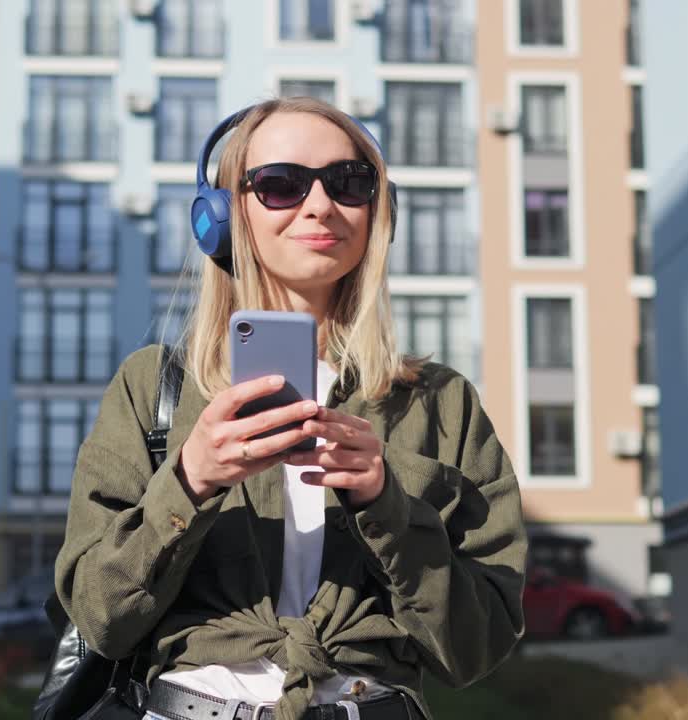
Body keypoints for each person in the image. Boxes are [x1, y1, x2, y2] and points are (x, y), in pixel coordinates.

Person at [56, 97, 527, 720]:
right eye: (280, 185)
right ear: (222, 216)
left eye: (349, 183)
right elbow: (100, 616)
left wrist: (387, 502)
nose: (320, 205)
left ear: (377, 212)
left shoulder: (439, 402)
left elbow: (477, 648)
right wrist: (190, 481)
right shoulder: (154, 387)